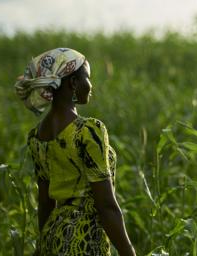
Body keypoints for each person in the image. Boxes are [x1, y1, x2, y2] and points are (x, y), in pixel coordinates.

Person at [15, 48, 136, 256]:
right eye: (87, 78)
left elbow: (45, 202)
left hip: (53, 237)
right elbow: (106, 204)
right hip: (84, 239)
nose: (91, 85)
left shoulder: (36, 136)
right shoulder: (88, 131)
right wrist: (128, 252)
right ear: (72, 83)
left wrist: (41, 245)